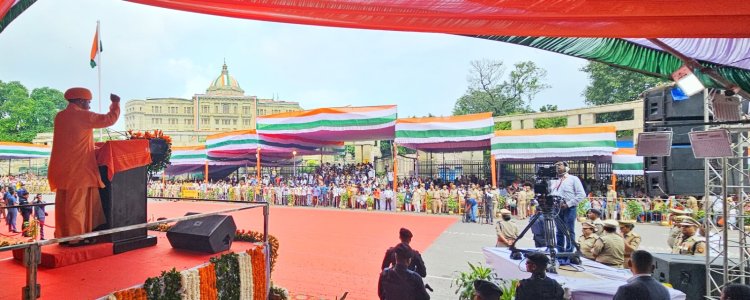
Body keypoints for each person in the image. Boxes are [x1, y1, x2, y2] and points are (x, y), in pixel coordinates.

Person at [47, 88, 120, 245]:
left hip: (61, 169)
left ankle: (63, 236)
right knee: (76, 205)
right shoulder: (83, 115)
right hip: (78, 169)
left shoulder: (60, 116)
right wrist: (115, 103)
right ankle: (75, 238)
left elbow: (74, 141)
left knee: (63, 204)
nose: (89, 105)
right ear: (80, 101)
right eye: (88, 102)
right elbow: (109, 119)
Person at [549, 161, 586, 252]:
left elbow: (581, 194)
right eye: (555, 165)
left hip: (569, 208)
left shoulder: (573, 179)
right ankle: (560, 251)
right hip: (557, 208)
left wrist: (568, 204)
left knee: (569, 231)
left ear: (566, 167)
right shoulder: (553, 180)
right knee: (559, 231)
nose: (557, 166)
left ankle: (569, 251)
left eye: (560, 165)